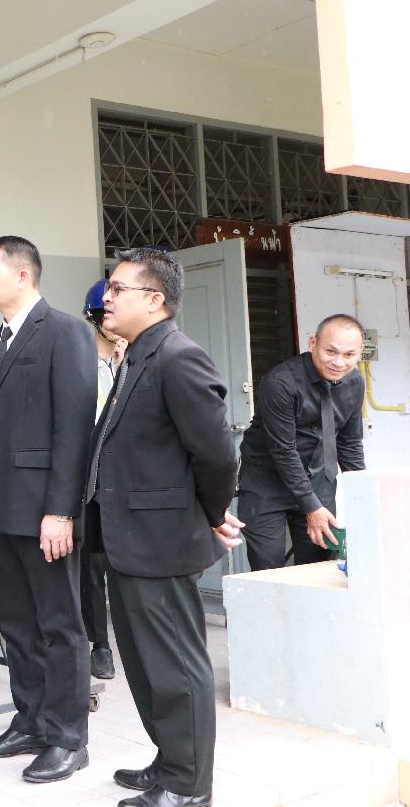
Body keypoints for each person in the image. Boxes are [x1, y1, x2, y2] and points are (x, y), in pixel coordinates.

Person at [86, 248, 243, 807]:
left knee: (176, 667)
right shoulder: (137, 356)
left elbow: (217, 456)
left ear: (154, 300)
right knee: (147, 666)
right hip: (129, 541)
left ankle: (188, 786)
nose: (106, 298)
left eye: (117, 289)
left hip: (162, 542)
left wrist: (211, 513)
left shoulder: (178, 357)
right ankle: (170, 760)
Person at [0, 236, 97, 784]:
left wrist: (61, 510)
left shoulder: (65, 332)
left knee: (60, 626)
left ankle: (68, 738)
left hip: (46, 512)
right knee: (17, 625)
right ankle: (31, 722)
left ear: (23, 276)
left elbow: (75, 428)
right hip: (1, 510)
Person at [237, 314, 365, 571]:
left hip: (319, 479)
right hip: (266, 483)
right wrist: (311, 506)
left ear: (360, 352)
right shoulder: (280, 383)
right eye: (331, 351)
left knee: (318, 567)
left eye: (349, 354)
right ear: (313, 342)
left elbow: (350, 444)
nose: (339, 362)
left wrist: (364, 494)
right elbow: (283, 450)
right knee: (268, 570)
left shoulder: (354, 382)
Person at [81, 278, 126, 681]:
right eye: (104, 314)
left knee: (126, 563)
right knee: (92, 565)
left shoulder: (139, 360)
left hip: (127, 480)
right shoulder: (81, 364)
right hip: (90, 478)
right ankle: (100, 643)